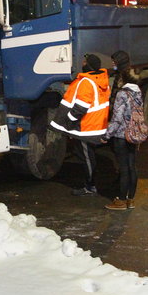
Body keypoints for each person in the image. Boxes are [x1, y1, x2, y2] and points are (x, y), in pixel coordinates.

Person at [50, 53, 110, 196]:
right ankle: (91, 184)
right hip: (95, 124)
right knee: (88, 155)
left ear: (88, 65)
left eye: (84, 62)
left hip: (85, 127)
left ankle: (90, 187)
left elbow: (80, 107)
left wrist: (69, 119)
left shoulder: (86, 82)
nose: (82, 63)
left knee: (87, 157)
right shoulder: (101, 79)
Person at [103, 62, 142, 210]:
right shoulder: (138, 92)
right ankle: (131, 199)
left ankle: (120, 200)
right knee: (132, 166)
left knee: (124, 168)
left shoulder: (122, 94)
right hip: (134, 133)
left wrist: (107, 135)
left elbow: (117, 118)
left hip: (121, 135)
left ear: (122, 79)